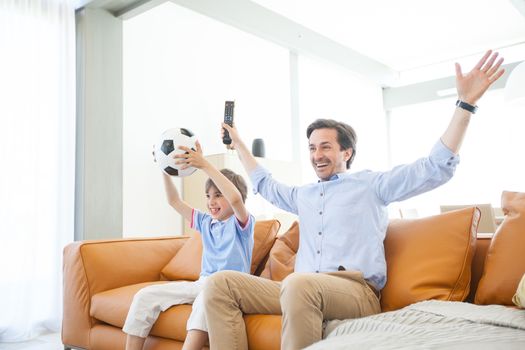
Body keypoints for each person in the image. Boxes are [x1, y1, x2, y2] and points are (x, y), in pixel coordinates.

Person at [202, 50, 505, 350]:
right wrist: (238, 141)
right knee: (220, 284)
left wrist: (465, 104)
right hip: (300, 288)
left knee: (298, 284)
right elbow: (265, 183)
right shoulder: (303, 195)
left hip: (355, 291)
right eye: (311, 148)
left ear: (346, 152)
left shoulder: (370, 185)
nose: (317, 155)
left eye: (325, 147)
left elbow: (434, 168)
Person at [123, 140, 255, 350]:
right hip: (202, 283)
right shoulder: (205, 222)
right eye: (208, 196)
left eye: (218, 196)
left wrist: (204, 164)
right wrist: (164, 169)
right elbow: (174, 201)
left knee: (206, 299)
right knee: (144, 296)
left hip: (228, 288)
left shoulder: (242, 224)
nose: (211, 201)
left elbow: (236, 199)